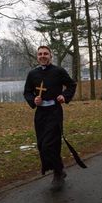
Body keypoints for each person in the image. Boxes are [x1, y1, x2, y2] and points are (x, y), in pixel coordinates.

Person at [23, 45, 77, 189]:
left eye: (45, 53)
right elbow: (27, 92)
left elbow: (71, 85)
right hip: (40, 113)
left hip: (54, 111)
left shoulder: (58, 71)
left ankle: (58, 173)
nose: (43, 56)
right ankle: (58, 170)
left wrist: (64, 96)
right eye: (40, 54)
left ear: (50, 56)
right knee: (42, 145)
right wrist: (33, 100)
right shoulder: (32, 74)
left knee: (50, 144)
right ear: (37, 56)